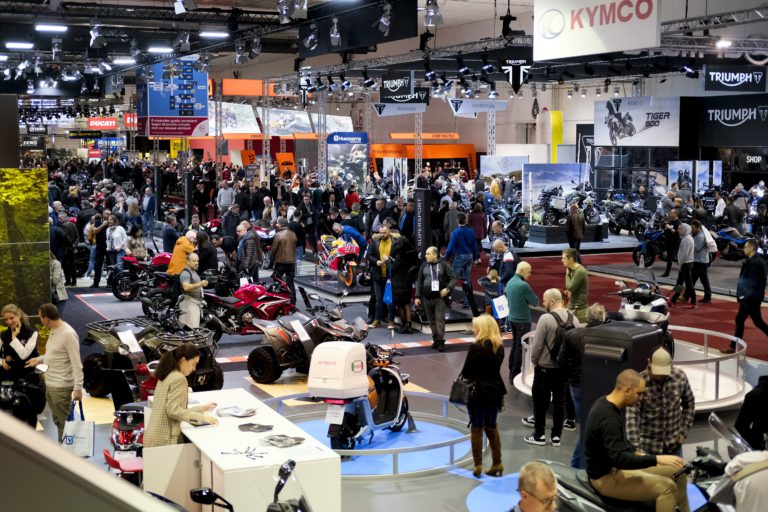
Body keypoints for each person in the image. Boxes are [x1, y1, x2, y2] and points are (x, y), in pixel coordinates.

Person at [584, 369, 689, 512]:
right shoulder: (609, 418)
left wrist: (636, 452)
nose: (641, 398)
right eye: (639, 394)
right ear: (627, 391)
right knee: (667, 488)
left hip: (615, 468)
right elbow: (620, 460)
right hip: (606, 477)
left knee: (680, 471)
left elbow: (617, 444)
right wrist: (657, 459)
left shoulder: (605, 402)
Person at [524, 288, 580, 447]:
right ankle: (556, 437)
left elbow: (537, 345)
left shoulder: (545, 319)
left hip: (544, 368)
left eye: (544, 300)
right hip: (563, 370)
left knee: (540, 403)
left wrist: (535, 361)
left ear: (553, 300)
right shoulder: (574, 319)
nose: (543, 303)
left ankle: (539, 435)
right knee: (559, 403)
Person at [24, 304, 83, 442]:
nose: (40, 320)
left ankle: (66, 451)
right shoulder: (54, 330)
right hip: (51, 384)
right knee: (58, 421)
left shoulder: (68, 334)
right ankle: (63, 446)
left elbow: (76, 363)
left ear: (46, 318)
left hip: (61, 387)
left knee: (65, 424)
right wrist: (39, 359)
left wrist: (78, 388)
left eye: (41, 317)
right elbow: (54, 354)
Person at [559, 303, 607, 468]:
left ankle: (580, 465)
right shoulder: (609, 337)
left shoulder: (572, 335)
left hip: (576, 384)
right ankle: (578, 464)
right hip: (599, 385)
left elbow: (561, 360)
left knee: (588, 425)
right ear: (602, 319)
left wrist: (570, 376)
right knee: (591, 427)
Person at [143, 343, 218, 447]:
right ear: (183, 360)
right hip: (165, 441)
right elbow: (173, 411)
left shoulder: (167, 374)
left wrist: (201, 408)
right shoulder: (179, 378)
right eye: (193, 364)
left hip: (153, 437)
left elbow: (173, 409)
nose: (194, 369)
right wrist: (201, 418)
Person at [626, 347, 695, 458]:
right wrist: (636, 448)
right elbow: (632, 417)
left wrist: (683, 432)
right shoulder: (640, 381)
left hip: (674, 447)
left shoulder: (680, 377)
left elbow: (689, 405)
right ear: (649, 362)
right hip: (647, 449)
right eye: (656, 371)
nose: (659, 376)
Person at [460, 315, 506, 478]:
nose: (473, 330)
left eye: (476, 327)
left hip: (477, 393)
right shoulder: (499, 347)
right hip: (495, 392)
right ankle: (497, 462)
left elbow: (466, 372)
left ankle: (478, 465)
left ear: (483, 329)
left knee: (477, 428)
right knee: (492, 427)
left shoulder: (475, 347)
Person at [724, 238, 768, 353]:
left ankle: (733, 347)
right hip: (753, 297)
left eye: (745, 247)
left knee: (752, 321)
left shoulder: (754, 263)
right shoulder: (756, 260)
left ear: (751, 248)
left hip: (750, 298)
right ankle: (733, 346)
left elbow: (751, 283)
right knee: (747, 320)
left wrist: (744, 297)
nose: (743, 249)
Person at [415, 246, 456, 351]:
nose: (425, 256)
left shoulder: (444, 264)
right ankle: (435, 340)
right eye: (426, 253)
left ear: (435, 255)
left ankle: (441, 341)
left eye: (428, 254)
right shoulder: (423, 265)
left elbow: (453, 278)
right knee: (431, 321)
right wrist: (417, 296)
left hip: (440, 298)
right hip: (426, 298)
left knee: (439, 320)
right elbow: (419, 281)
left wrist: (448, 288)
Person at [505, 261, 539, 381]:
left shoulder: (510, 282)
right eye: (529, 272)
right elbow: (535, 302)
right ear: (523, 271)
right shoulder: (523, 285)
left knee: (515, 345)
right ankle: (515, 374)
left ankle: (511, 370)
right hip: (522, 320)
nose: (530, 275)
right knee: (520, 348)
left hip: (512, 318)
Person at [444, 213, 480, 315]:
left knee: (452, 279)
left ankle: (448, 300)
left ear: (457, 221)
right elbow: (475, 246)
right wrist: (476, 257)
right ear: (466, 220)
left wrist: (446, 258)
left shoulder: (455, 232)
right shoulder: (471, 231)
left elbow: (450, 247)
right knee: (467, 280)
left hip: (459, 256)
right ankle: (467, 302)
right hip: (469, 256)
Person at [367, 224, 400, 329]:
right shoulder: (375, 242)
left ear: (389, 232)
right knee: (378, 299)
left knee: (390, 300)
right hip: (378, 275)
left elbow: (399, 257)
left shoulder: (395, 243)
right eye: (380, 232)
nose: (382, 234)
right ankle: (377, 320)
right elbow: (368, 255)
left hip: (391, 275)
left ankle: (391, 321)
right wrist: (376, 261)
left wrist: (390, 260)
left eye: (384, 232)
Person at [0, 304, 40, 383]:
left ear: (19, 315)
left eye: (11, 318)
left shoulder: (32, 333)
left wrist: (14, 338)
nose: (9, 322)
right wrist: (1, 362)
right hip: (7, 378)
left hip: (27, 377)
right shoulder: (3, 334)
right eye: (6, 319)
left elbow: (24, 355)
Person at [735, 375, 768, 450]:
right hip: (759, 444)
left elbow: (740, 425)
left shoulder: (755, 395)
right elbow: (741, 425)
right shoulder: (755, 395)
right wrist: (756, 444)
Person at [270, 218, 297, 304]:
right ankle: (293, 301)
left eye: (277, 223)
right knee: (290, 283)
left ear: (281, 224)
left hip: (280, 263)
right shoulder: (293, 234)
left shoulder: (278, 235)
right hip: (291, 262)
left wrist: (270, 263)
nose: (276, 225)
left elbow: (273, 250)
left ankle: (277, 300)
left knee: (277, 282)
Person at [669, 223, 696, 308]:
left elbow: (685, 254)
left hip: (685, 264)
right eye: (678, 228)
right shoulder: (686, 238)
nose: (678, 230)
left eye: (680, 229)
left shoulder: (687, 239)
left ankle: (693, 302)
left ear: (685, 230)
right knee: (680, 282)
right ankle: (674, 299)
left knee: (688, 284)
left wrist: (680, 264)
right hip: (685, 263)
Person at [178, 253, 208, 329]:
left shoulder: (193, 271)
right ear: (187, 261)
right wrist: (201, 284)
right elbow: (186, 287)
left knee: (192, 329)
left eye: (197, 261)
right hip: (189, 304)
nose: (196, 263)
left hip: (194, 304)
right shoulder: (185, 273)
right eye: (194, 261)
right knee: (192, 330)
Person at [562, 248, 589, 323]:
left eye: (564, 258)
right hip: (573, 308)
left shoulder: (580, 271)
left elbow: (570, 287)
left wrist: (567, 274)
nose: (562, 260)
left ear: (570, 259)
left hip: (580, 311)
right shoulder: (571, 269)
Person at [690, 220, 712, 304]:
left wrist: (689, 242)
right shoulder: (697, 235)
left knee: (702, 280)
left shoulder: (700, 236)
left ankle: (707, 296)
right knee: (694, 279)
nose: (692, 230)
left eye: (693, 228)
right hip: (699, 260)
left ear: (698, 228)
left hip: (701, 261)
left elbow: (696, 247)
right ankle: (687, 295)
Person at [660, 208, 681, 278]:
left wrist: (669, 227)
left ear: (676, 214)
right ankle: (667, 273)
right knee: (669, 259)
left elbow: (676, 232)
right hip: (669, 242)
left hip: (674, 243)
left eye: (672, 213)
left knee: (675, 258)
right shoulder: (671, 221)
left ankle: (683, 274)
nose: (670, 214)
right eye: (670, 212)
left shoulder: (678, 223)